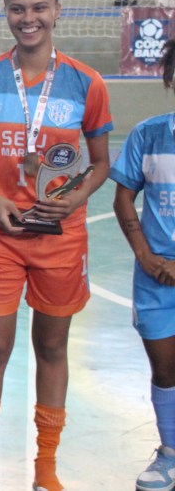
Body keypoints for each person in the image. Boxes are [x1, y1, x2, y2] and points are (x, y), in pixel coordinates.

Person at [0, 0, 112, 491]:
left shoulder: (87, 84)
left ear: (57, 12)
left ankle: (46, 466)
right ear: (7, 15)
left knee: (53, 347)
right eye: (18, 8)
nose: (28, 17)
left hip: (61, 237)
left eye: (39, 7)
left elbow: (102, 162)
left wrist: (76, 197)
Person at [111, 38, 175, 491]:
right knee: (166, 370)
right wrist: (144, 254)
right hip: (156, 278)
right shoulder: (149, 135)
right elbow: (123, 197)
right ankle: (170, 452)